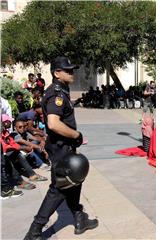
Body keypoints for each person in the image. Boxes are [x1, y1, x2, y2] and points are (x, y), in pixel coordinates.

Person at [24, 57, 98, 240]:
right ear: (57, 73)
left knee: (74, 181)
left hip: (65, 147)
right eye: (68, 70)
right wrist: (76, 135)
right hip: (60, 148)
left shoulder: (62, 91)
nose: (72, 73)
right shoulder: (56, 94)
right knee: (58, 189)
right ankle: (34, 231)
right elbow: (54, 124)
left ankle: (79, 219)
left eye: (72, 70)